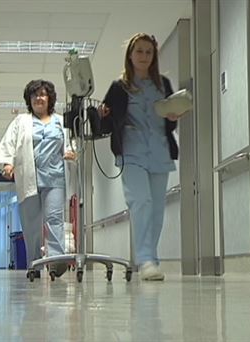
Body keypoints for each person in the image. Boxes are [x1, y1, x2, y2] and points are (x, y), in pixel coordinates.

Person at [99, 33, 180, 281]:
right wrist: (103, 115)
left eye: (148, 52)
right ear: (130, 55)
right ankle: (146, 260)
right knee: (141, 202)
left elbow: (169, 120)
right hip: (131, 152)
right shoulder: (119, 87)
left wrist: (174, 116)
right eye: (139, 51)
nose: (144, 56)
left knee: (156, 208)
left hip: (159, 151)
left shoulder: (163, 85)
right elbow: (105, 124)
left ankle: (149, 258)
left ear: (154, 56)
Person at [0, 79, 75, 278]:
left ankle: (56, 261)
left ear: (50, 98)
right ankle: (34, 264)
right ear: (29, 100)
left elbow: (71, 143)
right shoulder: (21, 121)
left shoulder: (61, 121)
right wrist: (8, 163)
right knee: (31, 224)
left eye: (42, 94)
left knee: (54, 219)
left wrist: (71, 152)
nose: (39, 98)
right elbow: (9, 144)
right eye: (34, 95)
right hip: (29, 178)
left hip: (55, 178)